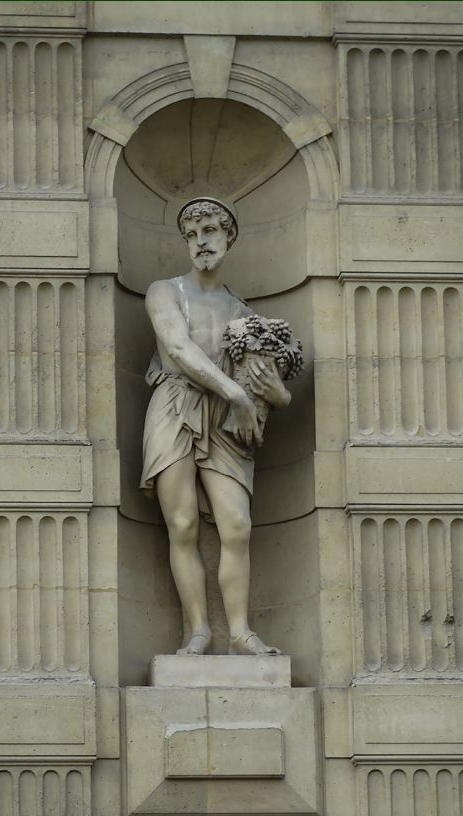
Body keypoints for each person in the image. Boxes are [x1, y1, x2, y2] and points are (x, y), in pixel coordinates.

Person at [140, 197, 291, 656]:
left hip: (227, 421)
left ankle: (241, 631)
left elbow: (277, 392)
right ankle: (199, 630)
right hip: (175, 405)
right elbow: (179, 350)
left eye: (208, 231)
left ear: (229, 237)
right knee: (182, 523)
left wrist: (273, 393)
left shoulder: (244, 315)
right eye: (191, 235)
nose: (200, 242)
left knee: (237, 525)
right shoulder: (163, 292)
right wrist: (238, 394)